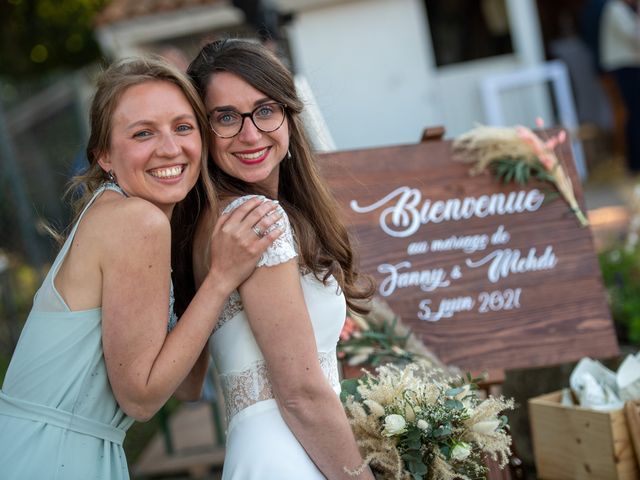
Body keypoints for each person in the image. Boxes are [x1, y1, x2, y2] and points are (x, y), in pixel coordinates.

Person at [0, 56, 282, 479]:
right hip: (53, 453)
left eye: (183, 127)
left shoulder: (127, 214)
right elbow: (142, 399)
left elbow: (186, 385)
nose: (170, 147)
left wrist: (205, 261)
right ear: (104, 157)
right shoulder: (137, 222)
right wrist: (222, 278)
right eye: (143, 133)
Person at [183, 39, 376, 479]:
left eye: (265, 110)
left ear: (289, 114)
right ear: (203, 130)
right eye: (226, 118)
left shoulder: (216, 219)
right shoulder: (255, 220)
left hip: (276, 451)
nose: (250, 134)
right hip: (288, 455)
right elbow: (301, 394)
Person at [599, 0, 640, 172]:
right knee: (635, 112)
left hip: (630, 66)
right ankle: (635, 162)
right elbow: (635, 36)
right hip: (625, 67)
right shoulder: (615, 8)